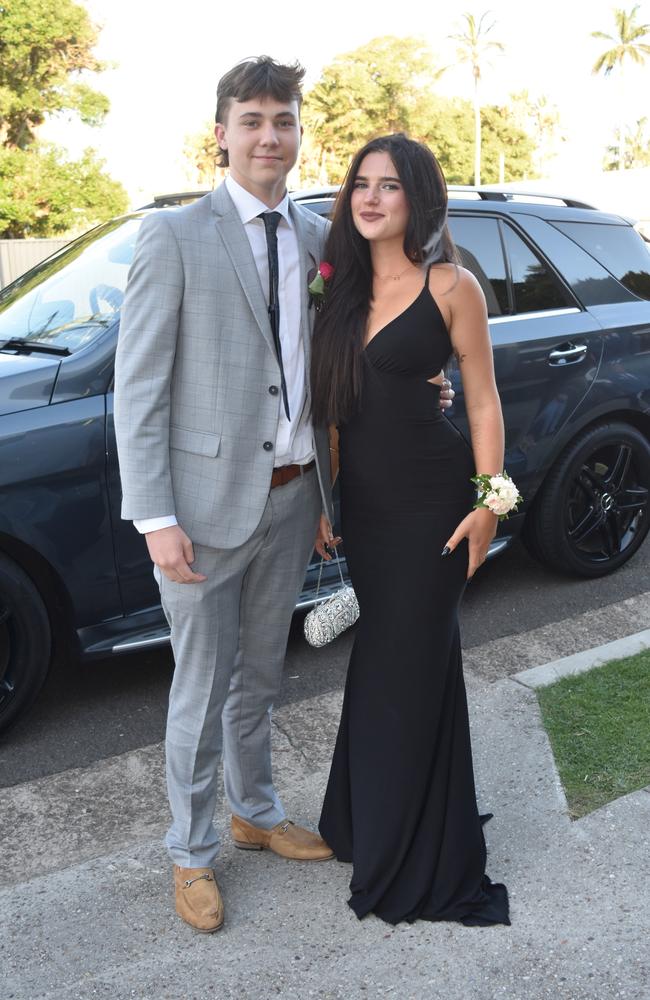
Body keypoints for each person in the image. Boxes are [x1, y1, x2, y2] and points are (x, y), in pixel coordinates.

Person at [115, 56, 456, 933]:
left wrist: (428, 386)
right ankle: (190, 853)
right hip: (199, 509)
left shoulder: (319, 241)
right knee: (199, 685)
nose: (271, 136)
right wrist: (156, 518)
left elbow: (357, 346)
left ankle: (254, 812)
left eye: (285, 120)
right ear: (221, 132)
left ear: (301, 135)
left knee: (261, 677)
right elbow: (139, 390)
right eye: (254, 119)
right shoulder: (173, 236)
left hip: (296, 500)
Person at [311, 133, 512, 926]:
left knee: (406, 668)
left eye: (389, 186)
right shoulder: (338, 289)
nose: (370, 197)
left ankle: (412, 853)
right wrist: (325, 505)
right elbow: (331, 411)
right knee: (389, 668)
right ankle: (369, 821)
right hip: (364, 511)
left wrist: (493, 504)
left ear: (417, 199)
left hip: (434, 508)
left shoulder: (452, 286)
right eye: (361, 183)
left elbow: (487, 401)